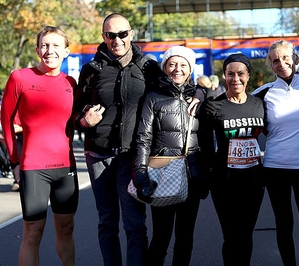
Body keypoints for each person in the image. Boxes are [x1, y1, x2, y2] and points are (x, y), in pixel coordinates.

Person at [72, 13, 204, 266]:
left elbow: (176, 87)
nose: (117, 40)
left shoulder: (148, 66)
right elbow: (75, 112)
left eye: (122, 34)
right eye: (111, 35)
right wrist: (83, 121)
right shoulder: (91, 69)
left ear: (131, 34)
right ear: (104, 37)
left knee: (135, 225)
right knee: (107, 222)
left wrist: (200, 91)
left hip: (130, 156)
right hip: (98, 156)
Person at [1, 26, 78, 266]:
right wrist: (14, 162)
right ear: (37, 50)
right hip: (34, 169)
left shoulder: (71, 82)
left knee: (66, 230)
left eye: (56, 45)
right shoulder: (20, 77)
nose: (49, 50)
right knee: (32, 234)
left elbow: (76, 123)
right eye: (44, 45)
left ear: (66, 51)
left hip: (66, 168)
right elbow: (5, 122)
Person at [133, 45, 208, 266]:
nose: (178, 69)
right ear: (165, 67)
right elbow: (142, 138)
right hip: (162, 174)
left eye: (183, 65)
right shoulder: (153, 97)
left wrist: (205, 174)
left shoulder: (199, 99)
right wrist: (140, 173)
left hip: (191, 177)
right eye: (173, 64)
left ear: (190, 69)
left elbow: (206, 140)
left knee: (185, 238)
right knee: (161, 238)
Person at [252, 40, 299, 266]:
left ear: (294, 59)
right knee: (284, 225)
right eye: (274, 60)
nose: (280, 63)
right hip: (275, 169)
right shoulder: (262, 94)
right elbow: (237, 110)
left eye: (284, 58)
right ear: (270, 66)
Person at [198, 53, 265, 266]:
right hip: (224, 181)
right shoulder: (214, 106)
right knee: (231, 235)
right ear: (224, 76)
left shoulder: (258, 104)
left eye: (240, 74)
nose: (235, 79)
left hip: (253, 180)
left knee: (246, 234)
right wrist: (207, 175)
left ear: (248, 76)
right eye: (230, 74)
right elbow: (205, 145)